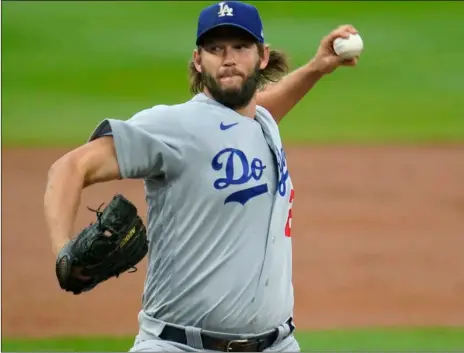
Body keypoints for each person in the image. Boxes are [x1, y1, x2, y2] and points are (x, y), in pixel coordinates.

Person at [44, 1, 359, 352]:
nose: (229, 58)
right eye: (215, 49)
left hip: (278, 345)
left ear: (262, 56)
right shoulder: (173, 126)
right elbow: (70, 168)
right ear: (198, 59)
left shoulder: (262, 123)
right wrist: (63, 252)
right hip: (178, 345)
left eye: (241, 47)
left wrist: (316, 68)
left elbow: (256, 112)